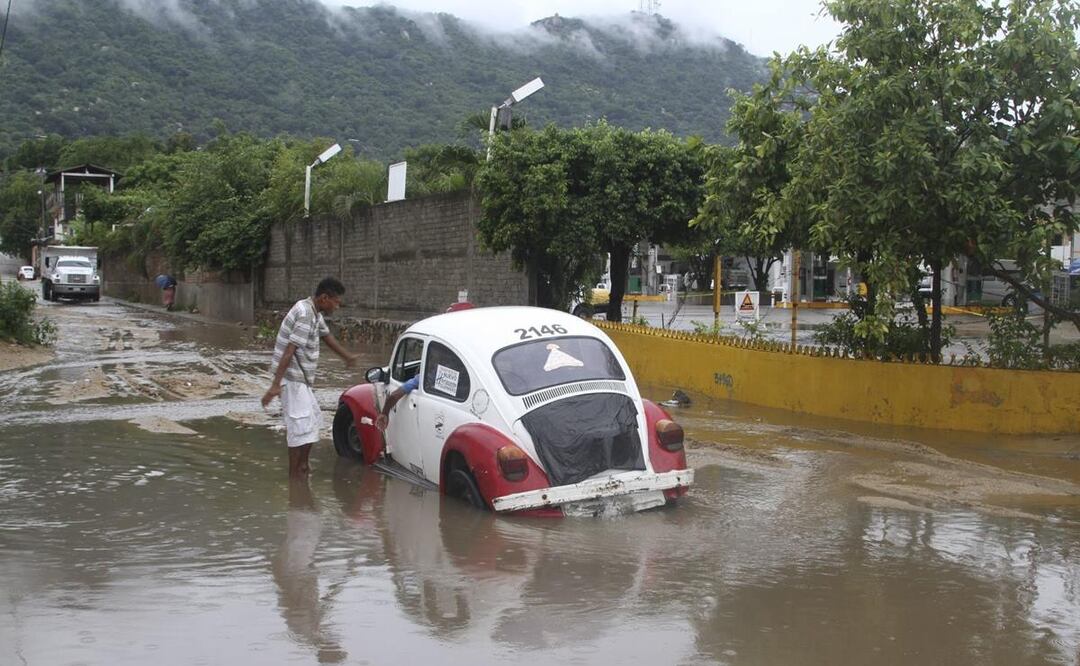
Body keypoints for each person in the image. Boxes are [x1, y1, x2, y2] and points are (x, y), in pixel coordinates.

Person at [262, 277, 360, 478]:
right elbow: (290, 351)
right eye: (336, 302)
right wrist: (274, 386)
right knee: (299, 429)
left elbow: (326, 336)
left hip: (301, 380)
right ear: (324, 298)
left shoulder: (314, 312)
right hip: (292, 379)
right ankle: (295, 477)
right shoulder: (306, 314)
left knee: (313, 422)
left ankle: (303, 468)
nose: (337, 306)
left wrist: (346, 356)